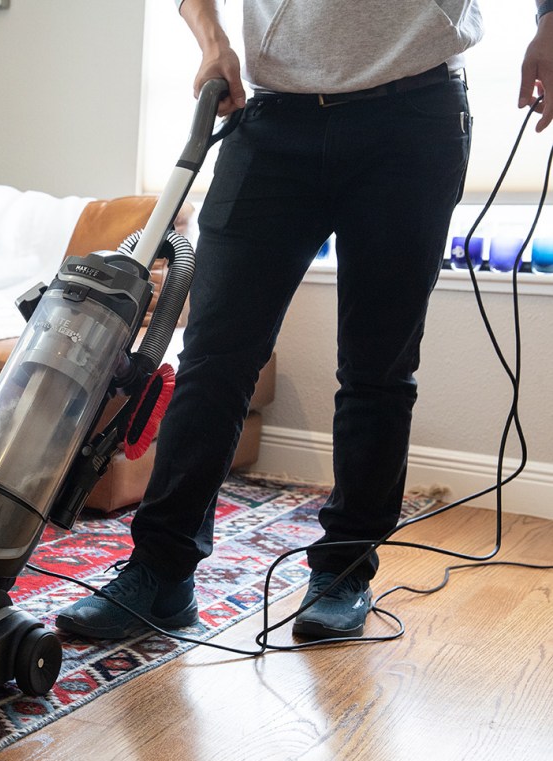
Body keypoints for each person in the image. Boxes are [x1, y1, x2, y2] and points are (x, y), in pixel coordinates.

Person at [55, 0, 553, 640]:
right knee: (212, 360)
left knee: (378, 368)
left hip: (413, 119)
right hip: (271, 122)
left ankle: (344, 573)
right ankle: (161, 572)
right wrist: (212, 40)